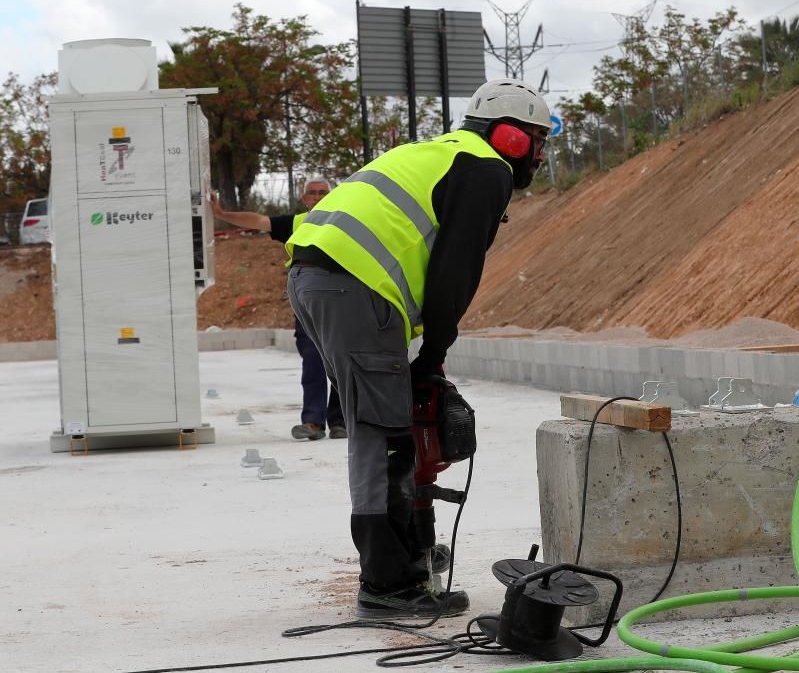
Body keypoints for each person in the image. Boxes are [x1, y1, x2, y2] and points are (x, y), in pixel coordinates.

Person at [285, 79, 551, 619]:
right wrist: (433, 356)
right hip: (355, 287)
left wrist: (423, 364)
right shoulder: (486, 169)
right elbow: (456, 272)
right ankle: (388, 584)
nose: (540, 155)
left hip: (320, 281)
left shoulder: (439, 152)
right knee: (383, 435)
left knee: (389, 424)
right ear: (513, 138)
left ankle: (408, 560)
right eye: (539, 141)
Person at [209, 178, 346, 441]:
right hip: (307, 303)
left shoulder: (346, 220)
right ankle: (313, 422)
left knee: (341, 361)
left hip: (342, 301)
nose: (317, 197)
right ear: (304, 199)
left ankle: (340, 421)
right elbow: (259, 221)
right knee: (313, 361)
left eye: (323, 192)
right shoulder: (296, 224)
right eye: (312, 193)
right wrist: (223, 214)